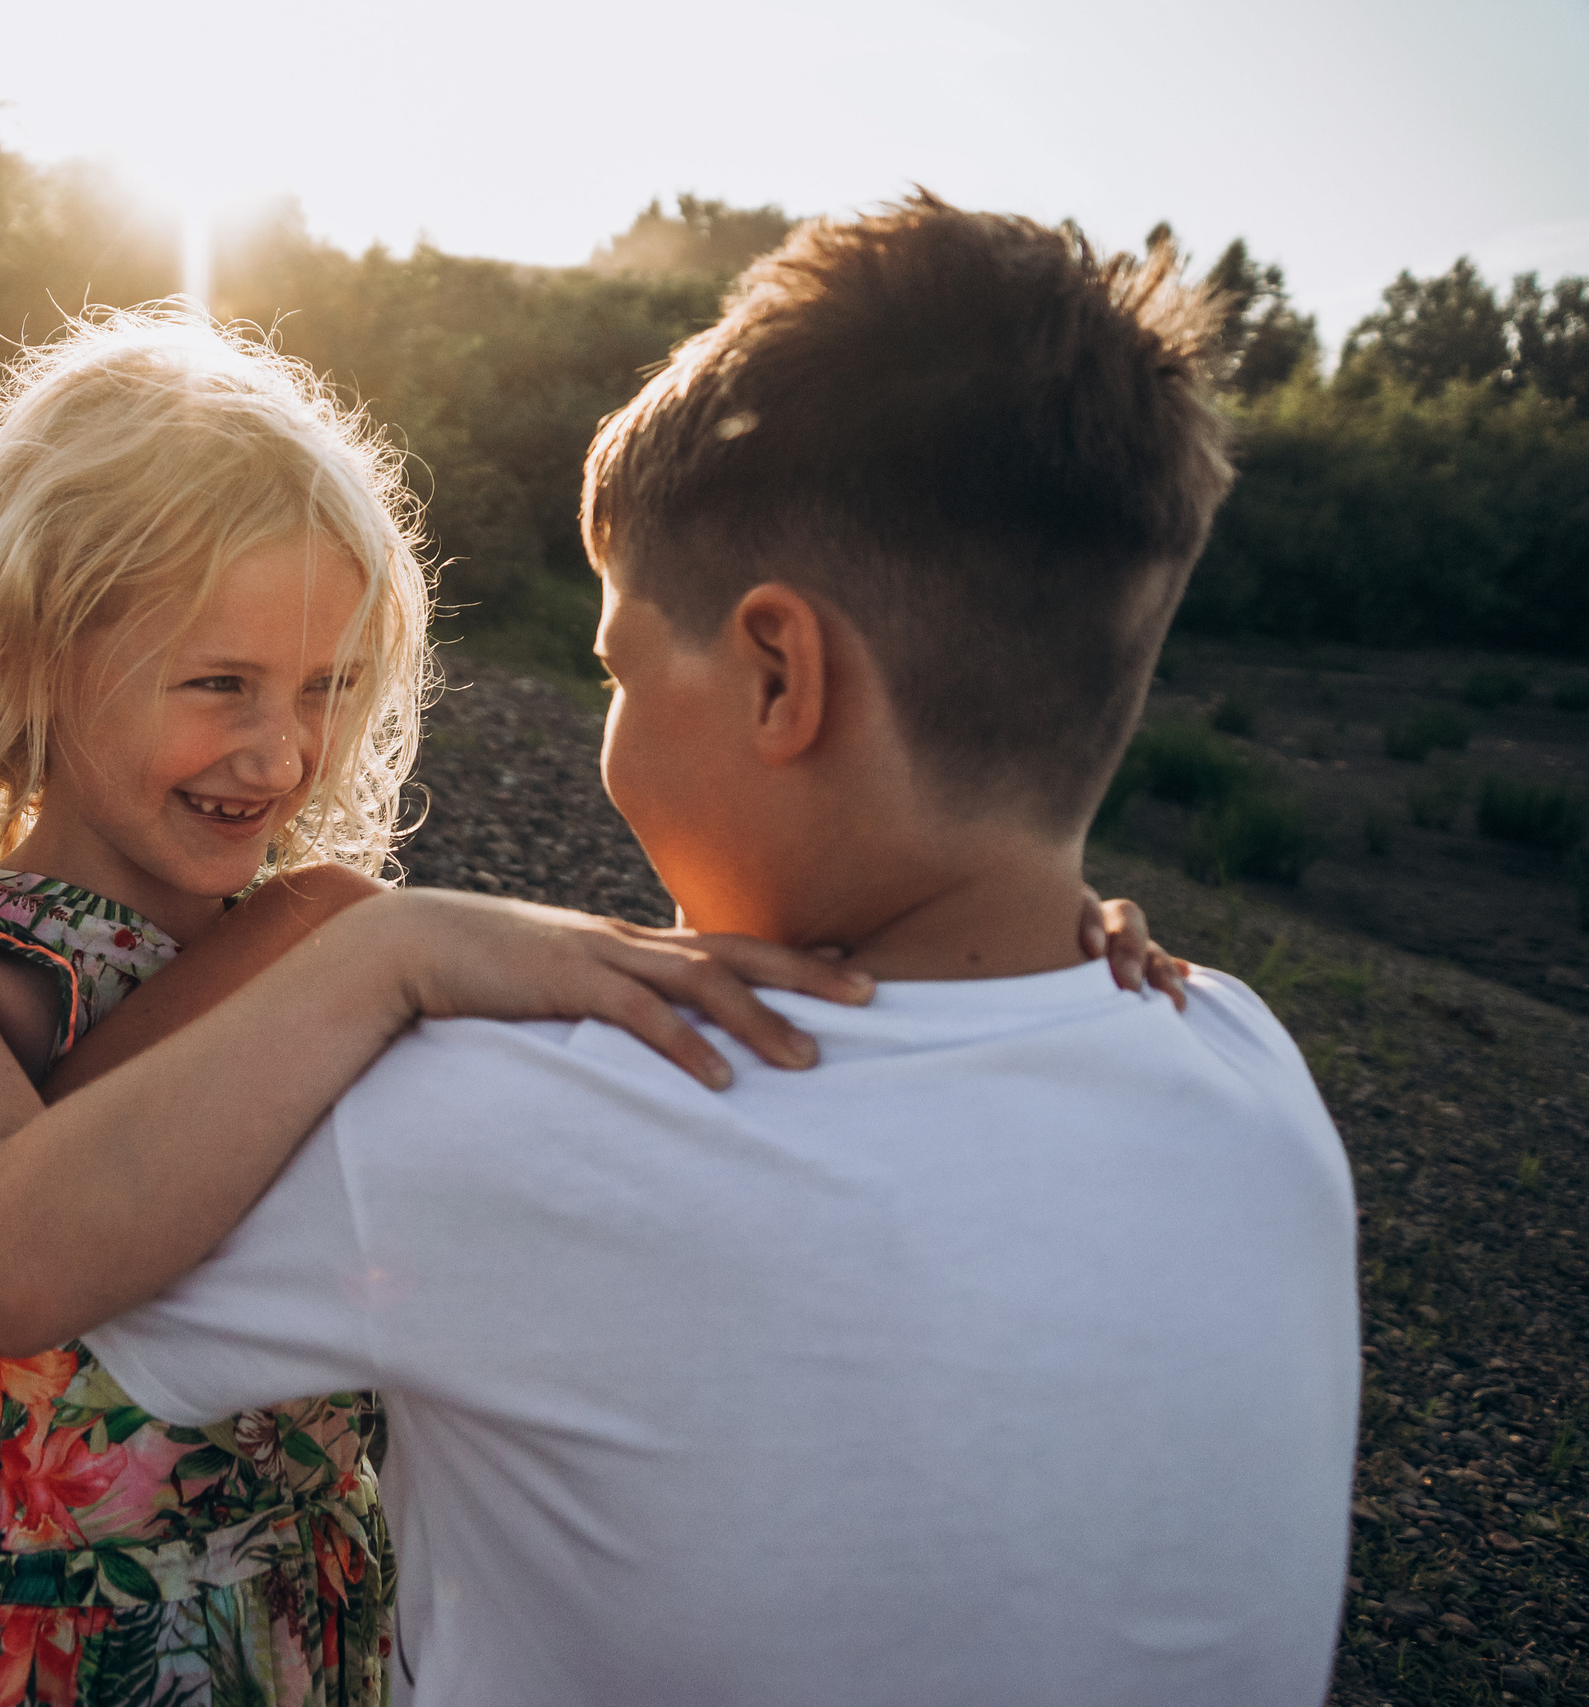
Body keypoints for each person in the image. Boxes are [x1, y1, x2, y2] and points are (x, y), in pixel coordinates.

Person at [0, 311, 1182, 1707]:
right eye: (221, 682)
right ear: (35, 646)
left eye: (329, 686)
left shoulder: (317, 928)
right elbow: (9, 1255)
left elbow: (657, 978)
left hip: (336, 1628)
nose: (284, 750)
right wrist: (392, 955)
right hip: (64, 1666)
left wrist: (1020, 944)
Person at [75, 200, 1362, 1706]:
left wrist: (360, 938)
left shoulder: (507, 1127)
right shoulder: (1249, 1068)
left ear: (777, 673)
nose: (610, 726)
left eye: (616, 665)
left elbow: (38, 1219)